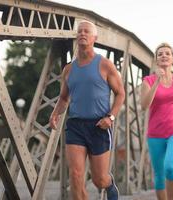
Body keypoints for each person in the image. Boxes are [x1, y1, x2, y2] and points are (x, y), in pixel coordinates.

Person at [49, 20, 125, 200]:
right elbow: (64, 97)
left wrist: (111, 118)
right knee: (75, 175)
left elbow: (120, 94)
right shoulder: (68, 69)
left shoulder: (105, 64)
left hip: (99, 126)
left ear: (94, 38)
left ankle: (109, 183)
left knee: (99, 180)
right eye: (80, 31)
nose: (82, 34)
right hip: (75, 125)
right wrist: (54, 114)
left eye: (87, 32)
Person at [140, 43, 173, 200]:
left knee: (170, 166)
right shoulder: (148, 81)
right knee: (159, 176)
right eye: (160, 54)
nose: (164, 55)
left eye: (167, 53)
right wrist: (157, 81)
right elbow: (144, 106)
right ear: (156, 60)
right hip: (155, 134)